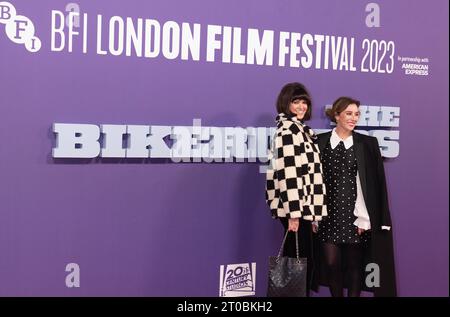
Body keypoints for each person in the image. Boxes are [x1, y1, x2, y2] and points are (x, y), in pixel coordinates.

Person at [312, 96, 397, 297]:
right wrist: (314, 214)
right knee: (332, 264)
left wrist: (365, 217)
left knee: (354, 267)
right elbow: (313, 181)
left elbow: (375, 185)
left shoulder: (367, 143)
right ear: (336, 115)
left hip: (355, 217)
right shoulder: (320, 141)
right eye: (349, 113)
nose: (353, 118)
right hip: (327, 215)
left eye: (356, 114)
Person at [265, 82, 327, 295]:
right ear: (286, 103)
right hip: (296, 209)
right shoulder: (289, 131)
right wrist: (294, 214)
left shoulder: (300, 130)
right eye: (296, 101)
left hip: (302, 208)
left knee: (302, 262)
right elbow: (289, 175)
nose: (301, 106)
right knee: (297, 265)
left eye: (304, 102)